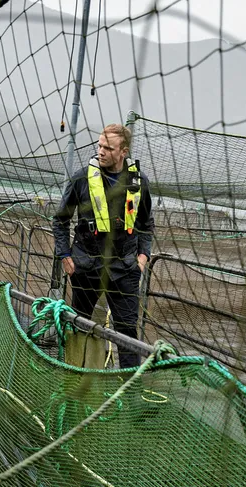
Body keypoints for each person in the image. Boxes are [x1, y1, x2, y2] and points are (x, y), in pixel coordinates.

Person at [53, 123, 155, 368]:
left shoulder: (138, 181)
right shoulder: (80, 178)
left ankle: (129, 391)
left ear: (124, 152)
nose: (101, 151)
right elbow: (60, 220)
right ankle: (73, 375)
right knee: (79, 324)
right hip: (86, 265)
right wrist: (65, 256)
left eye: (108, 148)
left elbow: (145, 222)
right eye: (99, 145)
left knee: (128, 334)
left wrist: (143, 256)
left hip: (125, 268)